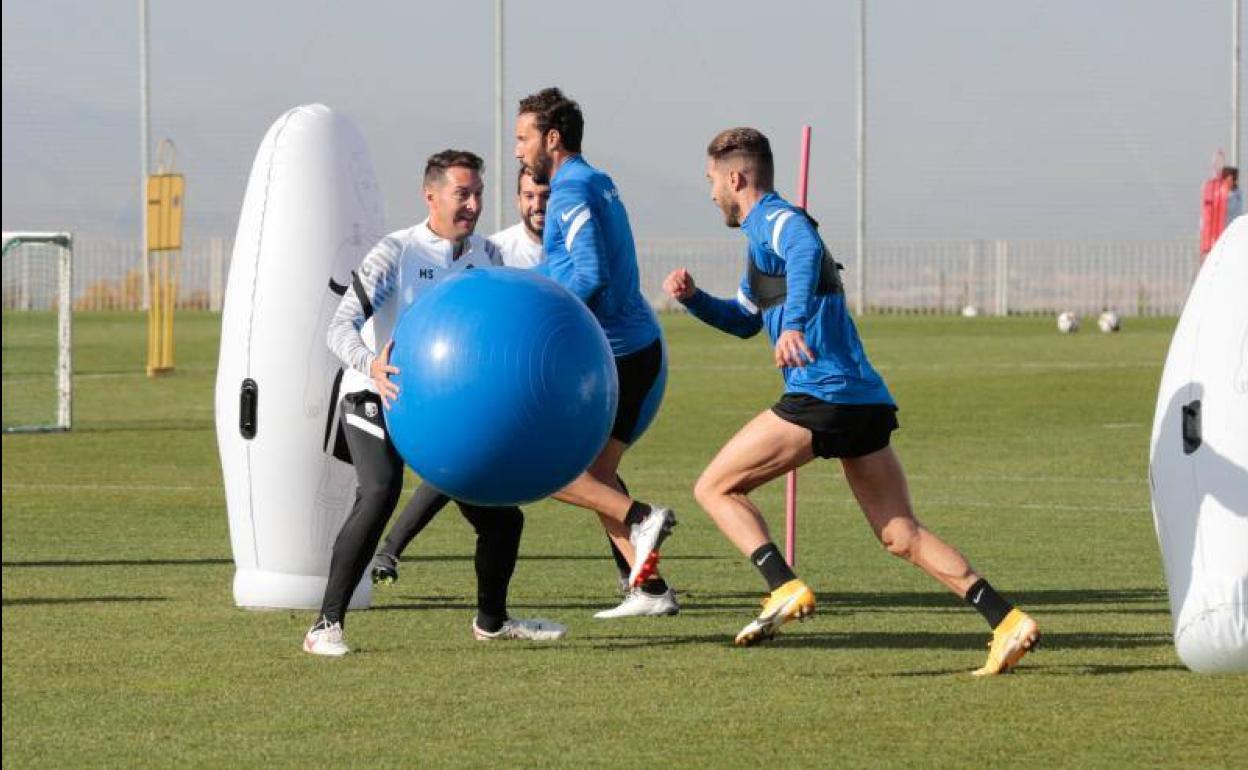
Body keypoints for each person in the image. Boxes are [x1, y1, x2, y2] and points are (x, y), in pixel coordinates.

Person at [662, 127, 1038, 675]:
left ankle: (782, 586)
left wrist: (792, 327)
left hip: (824, 394)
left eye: (711, 182)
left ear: (735, 177)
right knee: (900, 533)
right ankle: (1007, 620)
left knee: (714, 486)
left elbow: (805, 247)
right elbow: (744, 321)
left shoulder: (776, 219)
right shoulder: (757, 247)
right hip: (862, 399)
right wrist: (694, 301)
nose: (710, 193)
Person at [302, 150, 567, 656]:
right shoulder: (396, 252)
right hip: (376, 396)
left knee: (502, 519)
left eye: (478, 194)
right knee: (379, 492)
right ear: (431, 195)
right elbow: (339, 326)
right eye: (461, 194)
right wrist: (370, 366)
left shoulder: (488, 257)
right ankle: (324, 626)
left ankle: (492, 621)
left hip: (445, 414)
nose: (472, 204)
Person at [369, 167, 667, 616]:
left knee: (554, 471)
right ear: (518, 199)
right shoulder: (499, 250)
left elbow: (590, 283)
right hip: (507, 387)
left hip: (579, 376)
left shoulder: (570, 245)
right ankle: (646, 581)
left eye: (546, 195)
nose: (538, 204)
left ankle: (641, 535)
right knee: (579, 473)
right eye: (529, 195)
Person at [512, 87, 679, 618]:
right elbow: (570, 268)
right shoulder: (597, 180)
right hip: (635, 350)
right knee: (599, 478)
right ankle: (650, 591)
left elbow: (588, 274)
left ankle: (640, 517)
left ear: (552, 139)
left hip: (619, 357)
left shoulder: (571, 189)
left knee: (547, 471)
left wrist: (537, 317)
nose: (517, 150)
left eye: (523, 137)